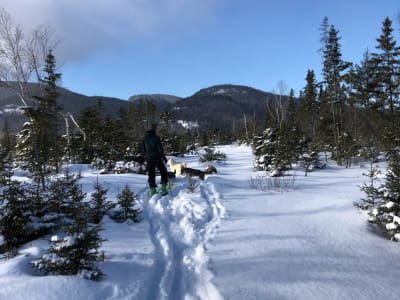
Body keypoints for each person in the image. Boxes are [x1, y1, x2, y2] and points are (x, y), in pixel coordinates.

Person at [143, 123, 168, 196]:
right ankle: (163, 189)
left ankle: (153, 191)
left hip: (149, 158)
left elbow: (144, 149)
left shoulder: (144, 137)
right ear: (155, 129)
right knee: (163, 171)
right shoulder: (156, 138)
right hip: (157, 157)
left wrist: (146, 157)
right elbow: (160, 150)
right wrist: (164, 158)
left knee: (151, 174)